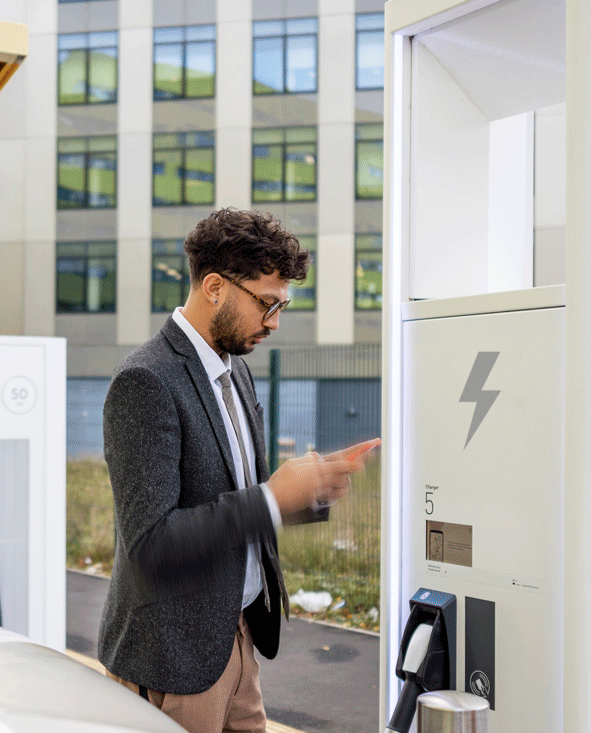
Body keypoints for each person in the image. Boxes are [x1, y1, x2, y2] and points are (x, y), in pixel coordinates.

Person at [97, 208, 379, 733]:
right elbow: (150, 546)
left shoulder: (238, 370)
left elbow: (239, 500)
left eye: (282, 306)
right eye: (267, 304)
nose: (274, 322)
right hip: (173, 660)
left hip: (239, 636)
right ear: (214, 287)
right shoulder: (145, 381)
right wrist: (273, 498)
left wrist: (310, 490)